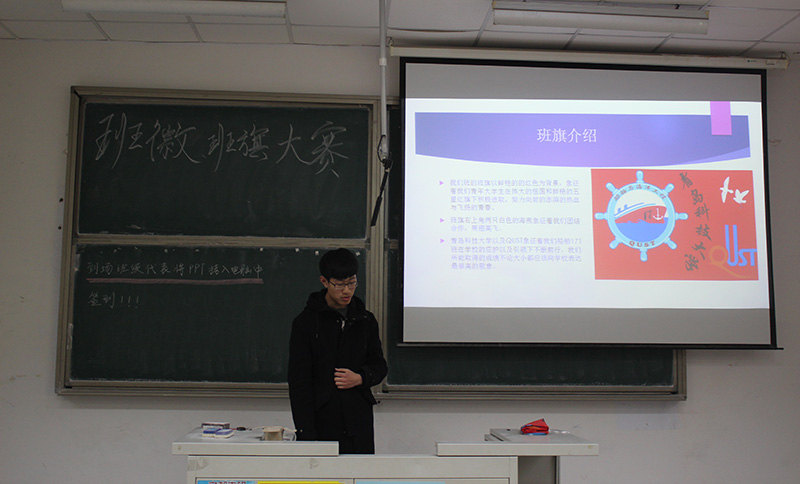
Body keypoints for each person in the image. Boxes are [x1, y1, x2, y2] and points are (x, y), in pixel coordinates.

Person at [287, 248, 388, 454]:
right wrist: (306, 433)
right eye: (340, 285)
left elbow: (379, 365)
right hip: (322, 420)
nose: (347, 291)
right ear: (324, 281)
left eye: (352, 283)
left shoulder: (365, 320)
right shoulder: (305, 323)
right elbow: (299, 383)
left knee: (359, 469)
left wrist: (360, 378)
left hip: (358, 421)